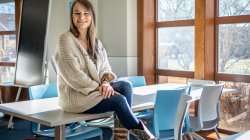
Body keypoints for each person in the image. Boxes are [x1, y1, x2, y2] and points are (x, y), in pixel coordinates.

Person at [55, 0, 155, 140]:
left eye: (86, 13)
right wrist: (99, 87)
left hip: (95, 90)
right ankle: (145, 136)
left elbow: (105, 67)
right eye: (77, 13)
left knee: (126, 86)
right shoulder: (65, 40)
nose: (81, 17)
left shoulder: (95, 42)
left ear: (92, 16)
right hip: (77, 97)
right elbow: (74, 76)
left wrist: (105, 83)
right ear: (72, 16)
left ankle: (120, 136)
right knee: (118, 100)